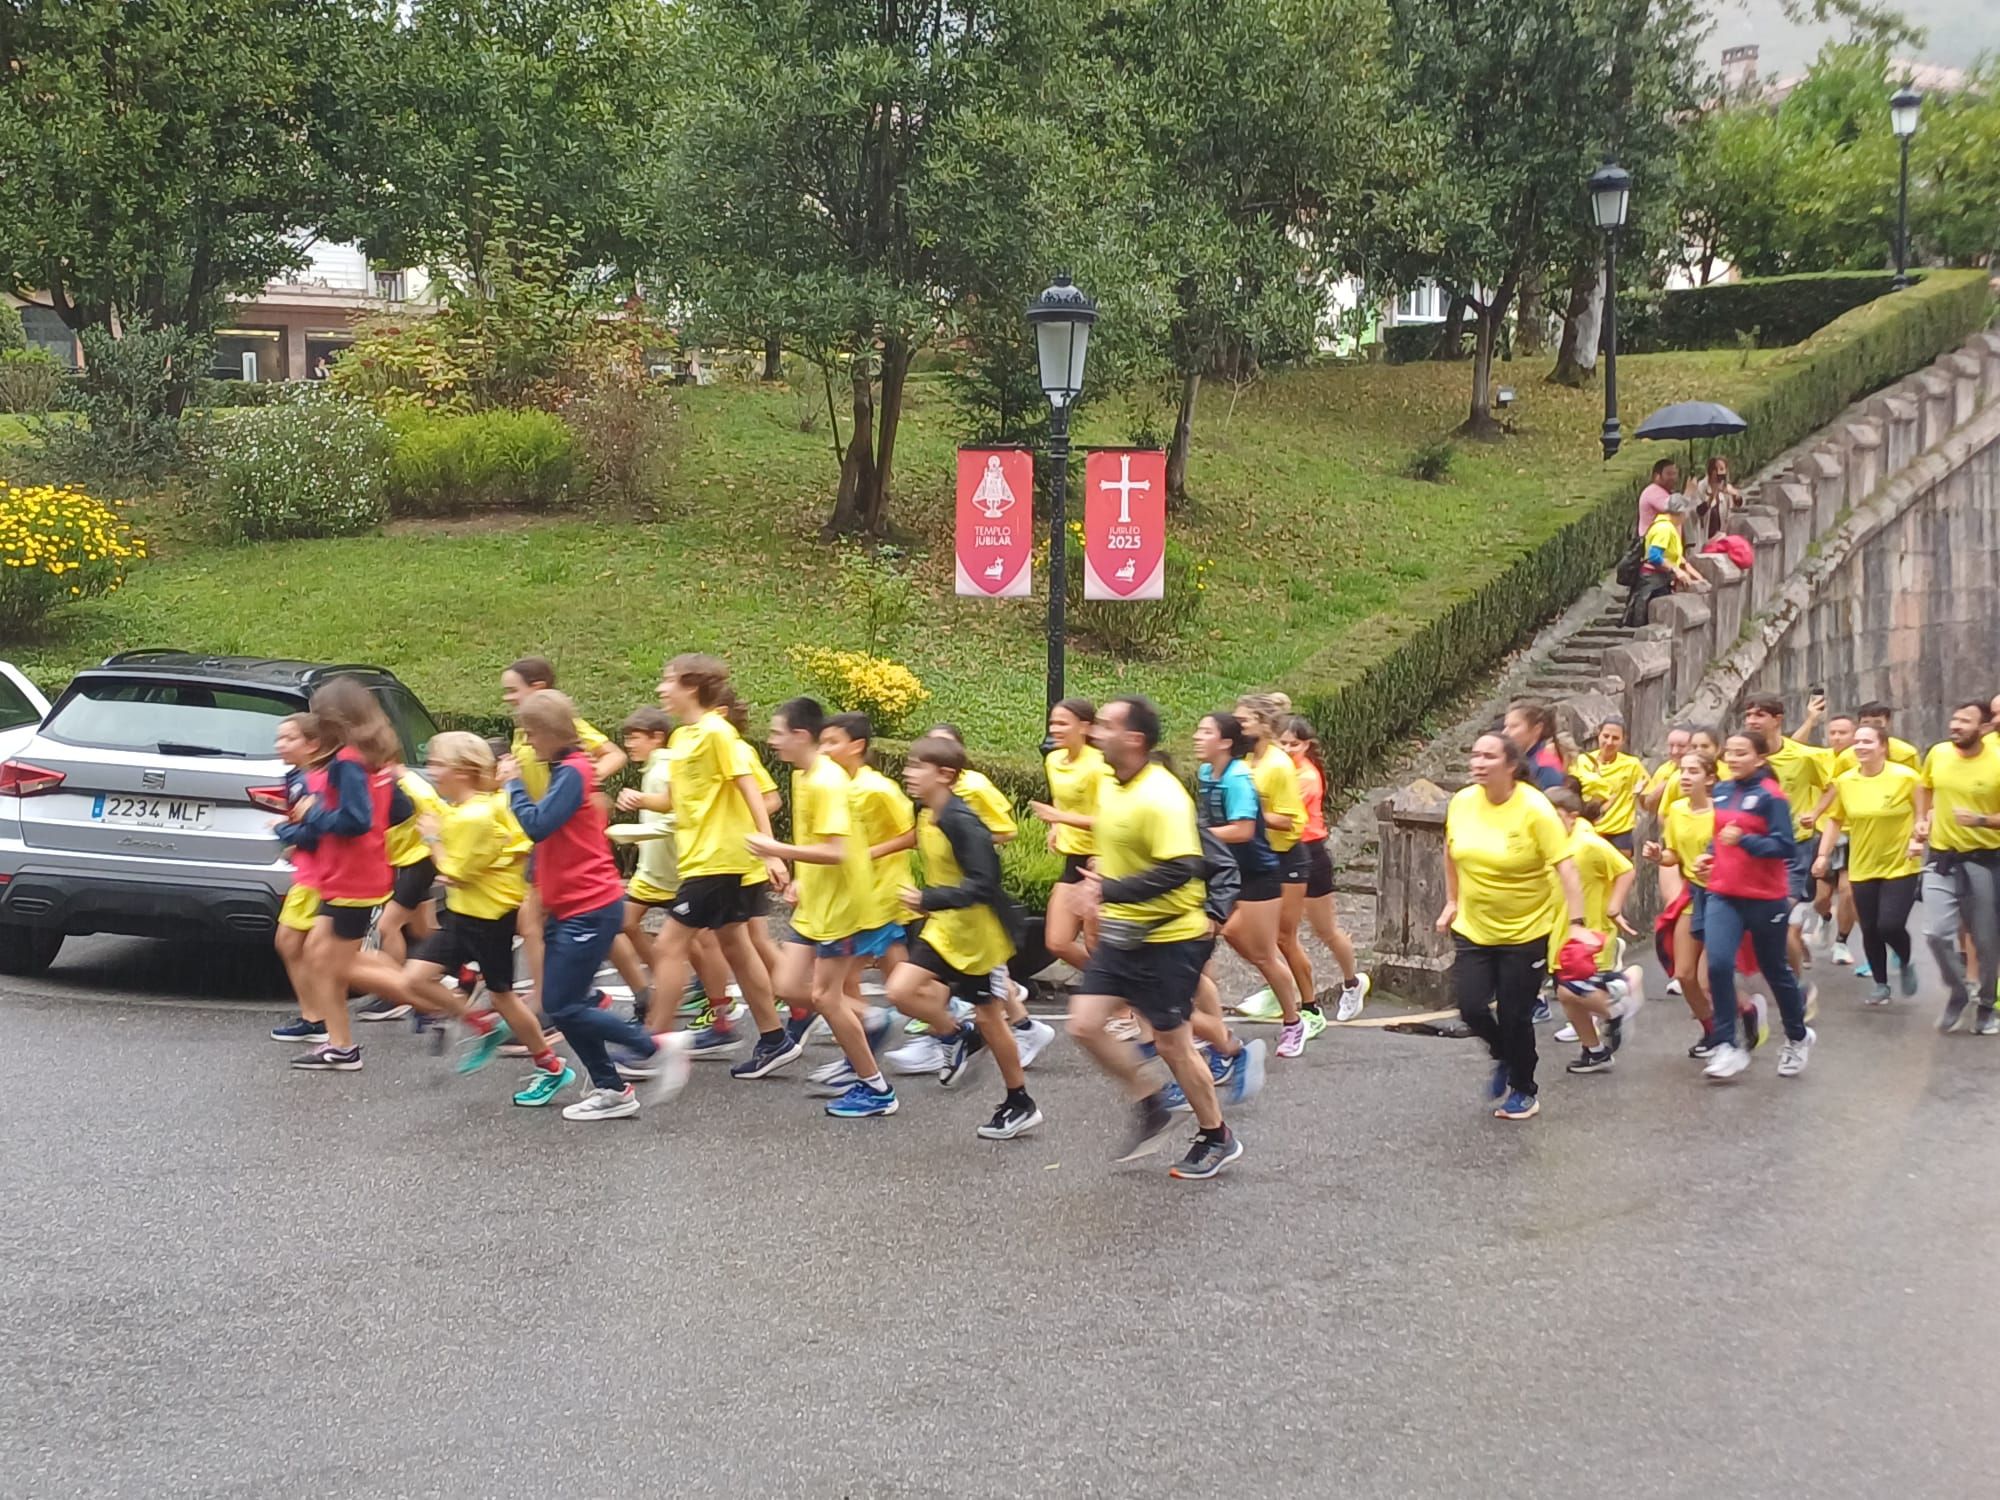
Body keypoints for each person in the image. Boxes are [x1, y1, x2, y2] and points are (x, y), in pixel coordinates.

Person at [1067, 696, 1243, 1179]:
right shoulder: (1109, 783)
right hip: (1126, 931)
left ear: (1135, 740)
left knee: (1172, 1043)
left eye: (1105, 726)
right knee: (1083, 1025)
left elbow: (1183, 867)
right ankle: (1152, 1103)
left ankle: (1217, 1135)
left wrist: (1111, 890)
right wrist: (1099, 876)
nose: (1095, 732)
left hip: (1172, 938)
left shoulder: (1163, 796)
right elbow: (1119, 845)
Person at [502, 690, 687, 1121]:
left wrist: (511, 783)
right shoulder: (567, 771)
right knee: (564, 1005)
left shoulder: (573, 771)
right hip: (570, 905)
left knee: (564, 1005)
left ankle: (655, 1047)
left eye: (530, 734)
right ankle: (612, 1089)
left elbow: (537, 825)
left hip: (589, 905)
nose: (527, 744)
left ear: (549, 731)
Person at [746, 697, 898, 1118]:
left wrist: (774, 848)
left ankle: (876, 1089)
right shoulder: (804, 775)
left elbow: (836, 851)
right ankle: (871, 1020)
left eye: (777, 733)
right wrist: (798, 878)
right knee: (789, 986)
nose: (772, 741)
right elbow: (818, 844)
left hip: (842, 908)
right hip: (816, 903)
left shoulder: (828, 782)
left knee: (825, 997)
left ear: (799, 735)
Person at [404, 732, 573, 1106]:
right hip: (465, 917)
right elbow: (502, 842)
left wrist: (434, 842)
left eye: (438, 764)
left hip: (487, 921)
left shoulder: (474, 817)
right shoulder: (482, 805)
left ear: (463, 771)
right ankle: (482, 1024)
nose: (432, 771)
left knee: (505, 998)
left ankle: (552, 1068)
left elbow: (455, 871)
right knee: (414, 978)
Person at [886, 734, 1042, 1140]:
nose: (909, 773)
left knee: (992, 1017)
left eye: (918, 767)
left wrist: (930, 897)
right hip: (944, 928)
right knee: (900, 990)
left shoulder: (961, 819)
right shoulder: (926, 814)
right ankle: (957, 1035)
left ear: (946, 775)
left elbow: (985, 882)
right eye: (909, 764)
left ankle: (1020, 1102)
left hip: (978, 937)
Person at [645, 655, 791, 1073]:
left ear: (691, 687)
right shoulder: (682, 739)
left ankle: (650, 1043)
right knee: (737, 947)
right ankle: (774, 1037)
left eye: (667, 681)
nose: (661, 689)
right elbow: (680, 802)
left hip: (720, 860)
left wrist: (771, 850)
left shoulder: (717, 733)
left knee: (669, 945)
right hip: (701, 858)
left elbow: (752, 789)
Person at [1438, 733, 1588, 1121]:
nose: (1478, 762)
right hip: (1474, 926)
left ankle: (1524, 1088)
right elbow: (1451, 851)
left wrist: (1577, 924)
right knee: (1470, 1007)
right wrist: (1452, 901)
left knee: (1515, 1014)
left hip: (1526, 930)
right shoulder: (1463, 802)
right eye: (1475, 755)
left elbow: (1566, 868)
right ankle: (1503, 1055)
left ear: (1510, 765)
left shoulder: (1535, 810)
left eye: (1489, 756)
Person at [274, 677, 400, 1072]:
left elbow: (356, 820)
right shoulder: (372, 755)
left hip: (351, 879)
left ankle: (434, 1000)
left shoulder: (347, 761)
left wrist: (312, 814)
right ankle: (339, 1042)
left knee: (336, 962)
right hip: (353, 874)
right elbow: (397, 811)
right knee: (317, 954)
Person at [501, 657, 629, 1006]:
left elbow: (613, 754)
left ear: (538, 688)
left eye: (512, 690)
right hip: (545, 831)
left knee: (545, 920)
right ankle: (575, 998)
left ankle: (551, 1003)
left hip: (553, 827)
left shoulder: (557, 726)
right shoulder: (528, 728)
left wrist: (584, 786)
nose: (507, 698)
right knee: (584, 921)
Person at [1697, 733, 1816, 1083]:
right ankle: (1726, 1044)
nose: (1732, 759)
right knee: (1718, 964)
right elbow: (1719, 835)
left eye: (1741, 753)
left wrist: (1745, 841)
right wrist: (1710, 854)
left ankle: (1797, 1036)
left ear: (1760, 758)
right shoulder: (1720, 791)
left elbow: (1786, 848)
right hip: (1723, 892)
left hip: (1764, 898)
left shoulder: (1771, 797)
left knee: (1774, 969)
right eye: (1729, 753)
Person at [1194, 713, 1306, 1057]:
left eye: (1205, 732)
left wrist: (1192, 836)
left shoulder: (1240, 777)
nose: (1197, 737)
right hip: (1220, 873)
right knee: (1197, 944)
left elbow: (1242, 830)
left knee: (1262, 955)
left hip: (1256, 874)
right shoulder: (1204, 773)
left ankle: (1294, 1021)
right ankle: (1210, 1027)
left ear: (1225, 742)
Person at [1234, 693, 1323, 1043]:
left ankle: (1310, 1009)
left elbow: (1290, 821)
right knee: (1239, 933)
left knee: (1284, 938)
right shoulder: (1246, 760)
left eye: (1243, 721)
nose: (1236, 726)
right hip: (1257, 858)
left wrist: (1247, 816)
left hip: (1288, 858)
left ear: (1262, 724)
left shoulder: (1278, 765)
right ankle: (1280, 987)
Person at [1813, 724, 1921, 1005]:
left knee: (1890, 924)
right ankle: (1881, 984)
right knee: (1871, 927)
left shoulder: (1906, 777)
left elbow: (1925, 811)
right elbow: (1835, 819)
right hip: (1862, 864)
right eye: (1857, 742)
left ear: (1883, 746)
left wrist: (1919, 837)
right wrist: (1823, 855)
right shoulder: (1846, 781)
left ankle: (1906, 961)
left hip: (1901, 863)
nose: (1860, 746)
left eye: (1867, 741)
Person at [1542, 787, 1642, 1074]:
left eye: (1554, 815)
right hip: (1562, 930)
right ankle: (1595, 1050)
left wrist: (1614, 906)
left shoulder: (1587, 844)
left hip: (1590, 932)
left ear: (1572, 816)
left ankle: (1618, 1004)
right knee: (1565, 993)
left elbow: (1625, 869)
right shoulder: (1558, 843)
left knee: (1574, 989)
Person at [1914, 701, 2000, 1034]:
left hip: (1984, 860)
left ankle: (1987, 1006)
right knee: (1935, 933)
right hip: (1943, 857)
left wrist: (1980, 820)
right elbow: (1924, 786)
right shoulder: (1938, 753)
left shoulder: (1995, 760)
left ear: (1984, 727)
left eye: (1965, 721)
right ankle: (1959, 991)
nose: (1955, 725)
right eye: (1954, 719)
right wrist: (1922, 819)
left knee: (1985, 939)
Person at [1278, 715, 1368, 1020]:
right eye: (1284, 743)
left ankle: (1352, 983)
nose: (1289, 749)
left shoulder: (1306, 777)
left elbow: (1281, 812)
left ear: (1306, 745)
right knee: (1282, 931)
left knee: (1325, 930)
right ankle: (1286, 986)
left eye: (1295, 743)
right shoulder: (1279, 771)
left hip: (1310, 853)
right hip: (1283, 854)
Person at [1742, 694, 1830, 994]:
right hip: (1753, 851)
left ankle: (1795, 987)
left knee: (1779, 920)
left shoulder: (1803, 757)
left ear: (1777, 719)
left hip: (1793, 851)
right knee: (1762, 925)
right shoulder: (1741, 757)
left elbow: (1833, 787)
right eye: (1749, 715)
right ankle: (1788, 979)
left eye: (1759, 715)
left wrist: (1815, 812)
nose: (1752, 720)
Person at [355, 762, 446, 1022]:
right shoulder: (388, 776)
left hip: (418, 860)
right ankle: (461, 973)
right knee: (422, 929)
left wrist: (439, 843)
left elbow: (430, 806)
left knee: (388, 926)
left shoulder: (400, 782)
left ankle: (396, 995)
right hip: (410, 859)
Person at [267, 713, 333, 1045]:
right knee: (294, 944)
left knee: (293, 943)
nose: (280, 744)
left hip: (318, 875)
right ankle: (315, 1015)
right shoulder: (296, 776)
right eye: (279, 738)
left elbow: (318, 830)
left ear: (313, 744)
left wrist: (282, 830)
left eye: (289, 738)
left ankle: (318, 1017)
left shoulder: (313, 780)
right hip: (307, 871)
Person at [1027, 698, 1103, 977]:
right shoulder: (1053, 759)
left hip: (1102, 861)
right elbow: (1062, 801)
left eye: (1062, 723)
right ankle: (1120, 989)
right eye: (1052, 723)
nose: (1055, 729)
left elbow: (1111, 822)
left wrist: (1059, 819)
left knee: (1097, 944)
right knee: (1057, 942)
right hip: (1074, 860)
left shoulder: (1099, 766)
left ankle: (1122, 1008)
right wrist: (1056, 828)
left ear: (1085, 727)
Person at [1625, 493, 1707, 627]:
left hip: (1660, 579)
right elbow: (1654, 556)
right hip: (1652, 581)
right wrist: (1676, 570)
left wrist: (1694, 575)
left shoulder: (1668, 527)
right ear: (1679, 512)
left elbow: (1675, 556)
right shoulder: (1664, 528)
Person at [1573, 715, 1646, 854]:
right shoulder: (1583, 761)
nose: (1609, 742)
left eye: (1615, 738)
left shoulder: (1632, 764)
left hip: (1620, 831)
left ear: (1623, 740)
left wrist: (1640, 793)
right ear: (1598, 735)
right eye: (1605, 736)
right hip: (1589, 828)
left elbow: (1648, 802)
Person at [1501, 698, 1568, 792]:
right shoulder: (1520, 759)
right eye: (1505, 726)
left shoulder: (1546, 765)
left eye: (1514, 726)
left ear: (1537, 729)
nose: (1504, 733)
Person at [1639, 725, 1693, 818]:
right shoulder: (1664, 770)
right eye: (1671, 746)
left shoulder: (1711, 770)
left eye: (1682, 746)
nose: (1675, 751)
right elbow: (1647, 807)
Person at [1686, 455, 1740, 539]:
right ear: (1710, 471)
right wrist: (1713, 494)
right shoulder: (1700, 487)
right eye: (1716, 469)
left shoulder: (1726, 487)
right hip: (1703, 538)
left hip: (1720, 538)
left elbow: (1738, 505)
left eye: (1722, 469)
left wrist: (1735, 495)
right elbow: (1699, 512)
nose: (1719, 473)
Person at [1637, 456, 1680, 537]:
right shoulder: (1653, 491)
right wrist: (1689, 493)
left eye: (1675, 474)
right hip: (1655, 543)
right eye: (1669, 474)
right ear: (1657, 476)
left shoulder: (1667, 492)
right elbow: (1674, 507)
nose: (1673, 478)